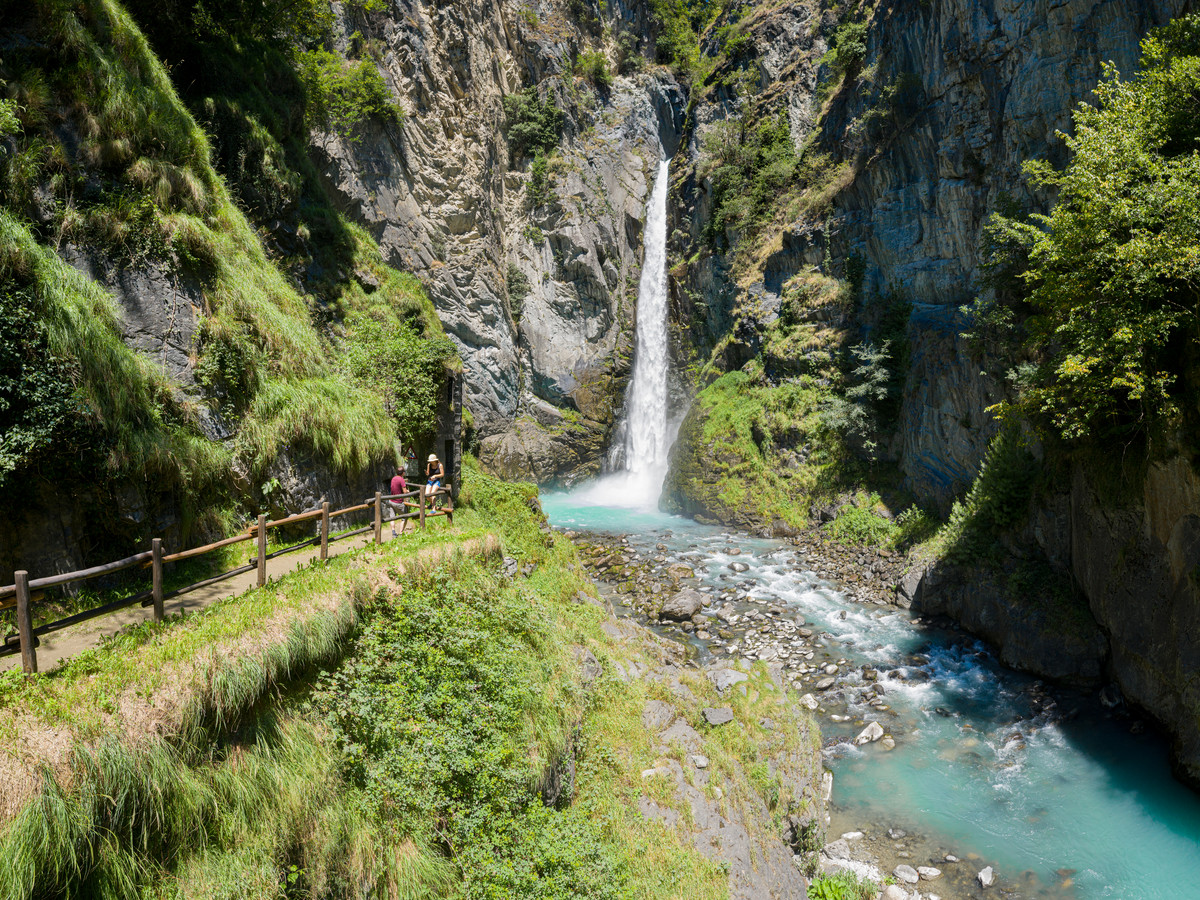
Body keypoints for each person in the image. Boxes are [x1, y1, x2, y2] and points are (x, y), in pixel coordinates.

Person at [389, 466, 408, 537]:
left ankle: (393, 532)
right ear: (403, 473)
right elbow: (405, 491)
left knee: (392, 517)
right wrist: (407, 491)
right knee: (405, 517)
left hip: (391, 501)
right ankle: (400, 533)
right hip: (399, 502)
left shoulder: (393, 478)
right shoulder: (401, 479)